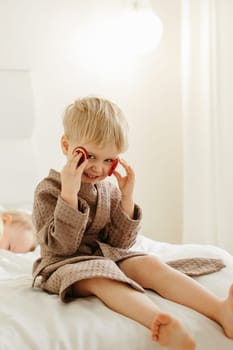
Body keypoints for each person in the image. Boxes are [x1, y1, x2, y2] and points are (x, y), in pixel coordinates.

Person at [32, 96, 233, 350]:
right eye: (90, 155)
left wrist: (126, 199)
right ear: (66, 145)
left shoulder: (107, 189)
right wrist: (69, 196)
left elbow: (120, 244)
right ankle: (158, 321)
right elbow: (62, 248)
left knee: (148, 262)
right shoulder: (49, 190)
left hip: (106, 256)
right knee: (102, 277)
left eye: (109, 160)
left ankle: (220, 310)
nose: (97, 168)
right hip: (64, 265)